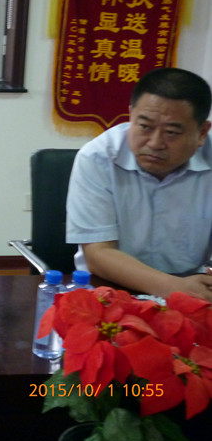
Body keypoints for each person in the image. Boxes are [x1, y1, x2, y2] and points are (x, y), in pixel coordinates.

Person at [66, 67, 212, 301]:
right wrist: (174, 288)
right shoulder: (97, 158)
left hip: (192, 289)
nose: (155, 143)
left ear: (202, 133)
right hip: (109, 287)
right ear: (131, 115)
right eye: (145, 127)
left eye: (172, 132)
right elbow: (98, 253)